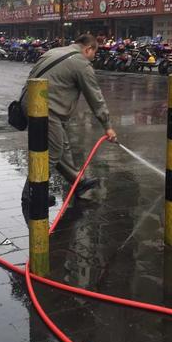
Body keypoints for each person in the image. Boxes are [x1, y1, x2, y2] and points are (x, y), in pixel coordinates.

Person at [21, 34, 117, 211]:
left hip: (30, 102)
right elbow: (95, 98)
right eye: (93, 54)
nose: (93, 59)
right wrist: (108, 126)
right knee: (54, 151)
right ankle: (32, 193)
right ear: (88, 49)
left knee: (61, 146)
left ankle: (78, 183)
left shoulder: (54, 51)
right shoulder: (81, 63)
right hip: (45, 109)